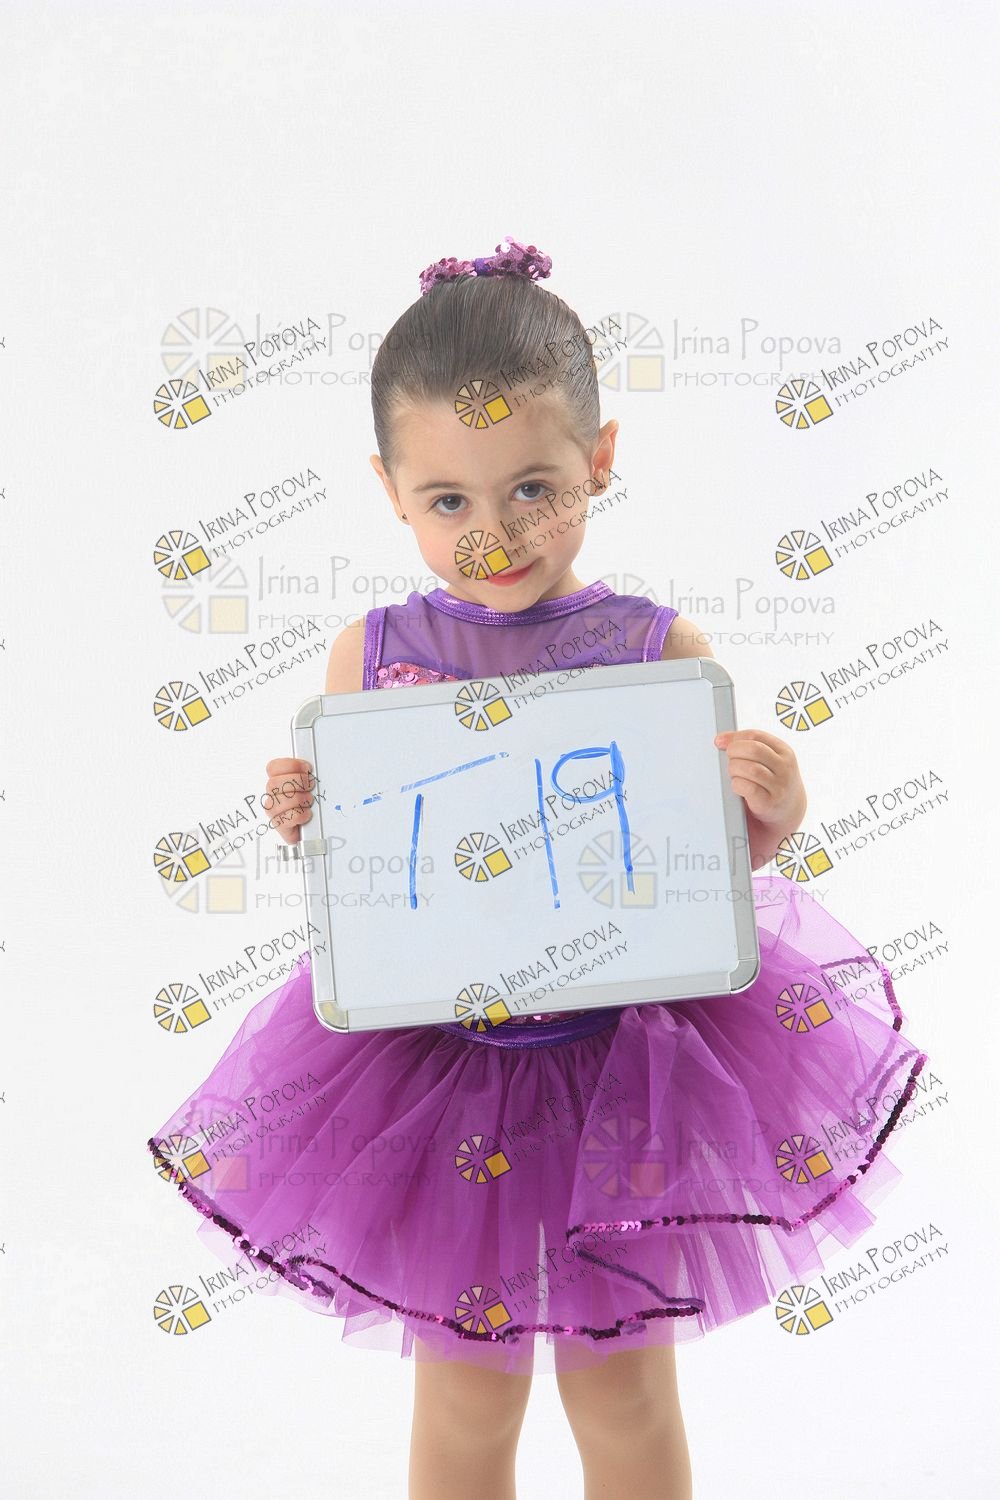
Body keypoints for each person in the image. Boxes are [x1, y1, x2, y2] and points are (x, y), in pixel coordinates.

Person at [148, 238, 930, 1500]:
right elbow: (374, 863)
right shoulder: (370, 656)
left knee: (622, 1391)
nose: (494, 535)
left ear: (599, 460)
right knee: (466, 1397)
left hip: (626, 1068)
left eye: (532, 488)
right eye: (448, 502)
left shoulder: (656, 648)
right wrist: (308, 818)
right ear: (390, 492)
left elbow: (690, 865)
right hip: (441, 1073)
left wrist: (769, 817)